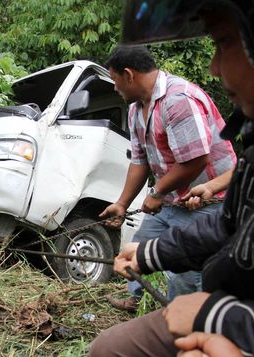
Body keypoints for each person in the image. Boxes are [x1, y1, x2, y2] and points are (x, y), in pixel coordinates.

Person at [90, 0, 254, 355]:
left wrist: (215, 316)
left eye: (223, 41)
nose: (213, 69)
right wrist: (151, 253)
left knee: (182, 289)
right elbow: (232, 227)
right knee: (110, 347)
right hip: (243, 301)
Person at [100, 45, 236, 310]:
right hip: (172, 200)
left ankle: (184, 317)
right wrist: (122, 204)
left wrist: (157, 193)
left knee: (185, 268)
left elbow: (196, 160)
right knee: (139, 245)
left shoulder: (179, 99)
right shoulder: (136, 109)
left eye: (115, 81)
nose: (115, 88)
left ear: (129, 75)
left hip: (209, 201)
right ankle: (137, 298)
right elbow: (139, 161)